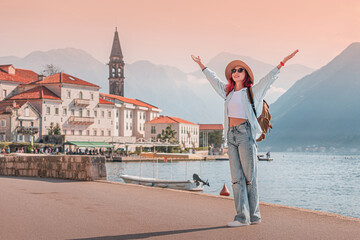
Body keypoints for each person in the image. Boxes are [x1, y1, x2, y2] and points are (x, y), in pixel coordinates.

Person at [191, 50, 298, 227]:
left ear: (245, 74)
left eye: (240, 69)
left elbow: (268, 80)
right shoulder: (228, 93)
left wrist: (282, 63)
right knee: (236, 179)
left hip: (245, 134)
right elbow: (213, 80)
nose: (236, 72)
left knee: (250, 178)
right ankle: (243, 216)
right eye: (233, 70)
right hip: (231, 136)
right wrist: (201, 65)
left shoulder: (252, 92)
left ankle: (252, 216)